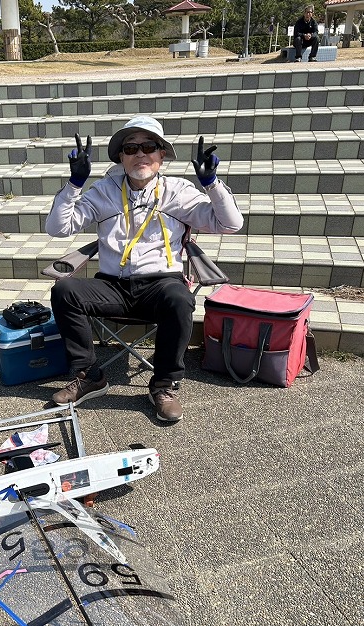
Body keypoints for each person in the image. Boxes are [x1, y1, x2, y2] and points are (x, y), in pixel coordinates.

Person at [45, 115, 244, 423]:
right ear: (121, 157)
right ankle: (89, 376)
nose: (140, 154)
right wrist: (75, 183)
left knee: (179, 298)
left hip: (160, 285)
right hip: (113, 285)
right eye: (130, 148)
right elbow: (58, 228)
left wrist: (212, 185)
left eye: (149, 146)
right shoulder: (104, 191)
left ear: (161, 154)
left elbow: (230, 224)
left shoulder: (177, 191)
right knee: (64, 289)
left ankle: (163, 385)